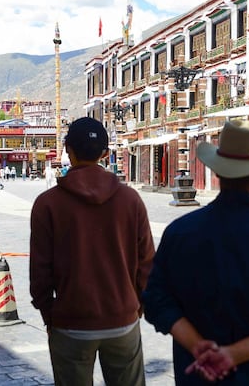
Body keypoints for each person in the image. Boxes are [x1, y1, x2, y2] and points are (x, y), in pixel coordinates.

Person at [143, 119, 249, 384]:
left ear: (217, 172)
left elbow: (157, 301)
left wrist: (197, 346)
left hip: (199, 376)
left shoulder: (180, 234)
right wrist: (231, 355)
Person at [30, 117, 155, 386]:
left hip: (70, 322)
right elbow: (147, 262)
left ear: (67, 150)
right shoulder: (130, 200)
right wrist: (137, 305)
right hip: (122, 320)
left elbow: (39, 269)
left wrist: (48, 311)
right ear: (105, 154)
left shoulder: (47, 204)